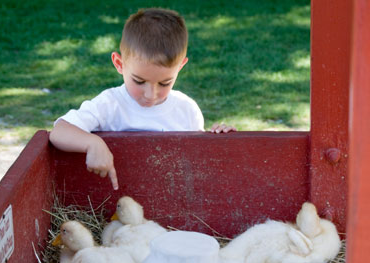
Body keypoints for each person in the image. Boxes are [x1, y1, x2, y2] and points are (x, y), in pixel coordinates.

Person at [49, 8, 236, 191]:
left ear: (180, 67)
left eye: (165, 83)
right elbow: (59, 132)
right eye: (139, 81)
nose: (150, 94)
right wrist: (92, 143)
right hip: (115, 202)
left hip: (169, 202)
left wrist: (219, 138)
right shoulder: (110, 104)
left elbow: (198, 161)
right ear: (119, 64)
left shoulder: (186, 109)